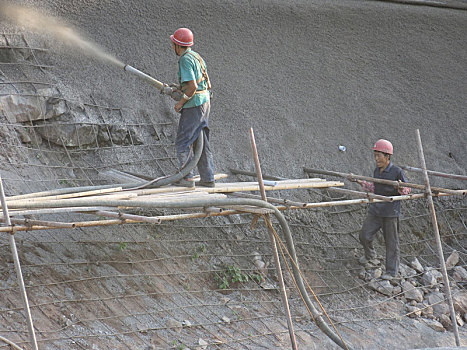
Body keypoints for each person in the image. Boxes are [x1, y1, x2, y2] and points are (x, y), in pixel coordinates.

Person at [356, 139, 411, 280]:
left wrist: (400, 187)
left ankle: (391, 272)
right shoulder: (376, 171)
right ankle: (370, 255)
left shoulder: (397, 171)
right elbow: (375, 188)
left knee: (391, 242)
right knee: (364, 235)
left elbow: (407, 190)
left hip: (390, 212)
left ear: (387, 156)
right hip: (376, 209)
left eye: (379, 156)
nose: (376, 159)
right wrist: (361, 182)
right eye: (375, 156)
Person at [170, 27, 215, 188]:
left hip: (194, 104)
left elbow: (193, 86)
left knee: (183, 141)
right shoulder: (197, 56)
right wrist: (178, 87)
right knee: (200, 141)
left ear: (177, 45)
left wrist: (180, 103)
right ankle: (208, 178)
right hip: (205, 102)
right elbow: (199, 83)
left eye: (173, 44)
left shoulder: (185, 59)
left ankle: (187, 178)